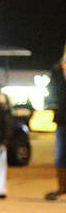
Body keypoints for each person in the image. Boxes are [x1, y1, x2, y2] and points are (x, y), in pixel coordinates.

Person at [46, 45, 66, 201]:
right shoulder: (57, 70)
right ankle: (62, 188)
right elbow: (51, 90)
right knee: (60, 155)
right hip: (62, 119)